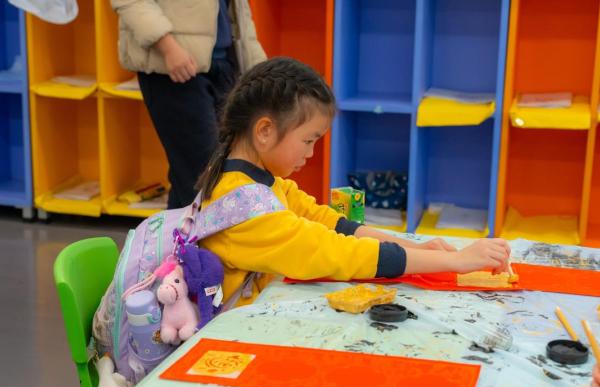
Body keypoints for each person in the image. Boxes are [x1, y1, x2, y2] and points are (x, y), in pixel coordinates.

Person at [195, 57, 512, 306]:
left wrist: (415, 248)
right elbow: (336, 252)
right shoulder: (246, 210)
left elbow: (332, 224)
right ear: (265, 131)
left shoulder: (256, 182)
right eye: (308, 140)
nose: (311, 153)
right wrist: (454, 261)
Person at [111, 0, 266, 208]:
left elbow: (239, 12)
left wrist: (260, 71)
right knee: (204, 175)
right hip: (176, 69)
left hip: (225, 64)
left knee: (203, 173)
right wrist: (168, 47)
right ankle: (202, 230)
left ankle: (178, 230)